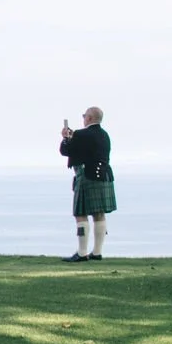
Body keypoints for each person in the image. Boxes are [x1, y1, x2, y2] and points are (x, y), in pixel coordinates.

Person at [59, 107, 115, 262]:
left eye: (84, 116)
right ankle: (97, 252)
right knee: (99, 214)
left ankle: (82, 253)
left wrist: (66, 137)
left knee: (80, 214)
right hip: (103, 175)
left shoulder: (81, 134)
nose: (83, 118)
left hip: (86, 176)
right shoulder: (105, 135)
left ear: (89, 118)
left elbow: (65, 151)